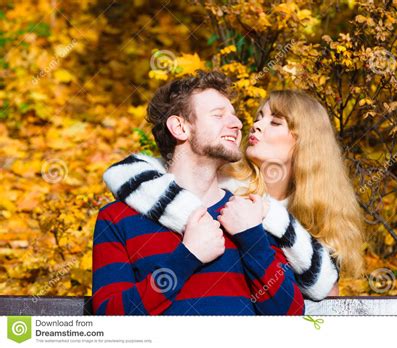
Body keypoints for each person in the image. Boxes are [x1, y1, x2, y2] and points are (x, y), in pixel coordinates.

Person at [103, 90, 363, 303]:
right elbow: (132, 176)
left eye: (274, 122)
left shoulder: (313, 213)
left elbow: (323, 289)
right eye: (259, 117)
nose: (255, 125)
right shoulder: (223, 186)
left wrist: (270, 216)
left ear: (305, 141)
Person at [92, 71, 305, 315]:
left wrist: (252, 240)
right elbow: (110, 319)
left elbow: (291, 317)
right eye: (218, 115)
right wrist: (186, 257)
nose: (237, 124)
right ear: (180, 127)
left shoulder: (249, 213)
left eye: (234, 116)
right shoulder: (118, 218)